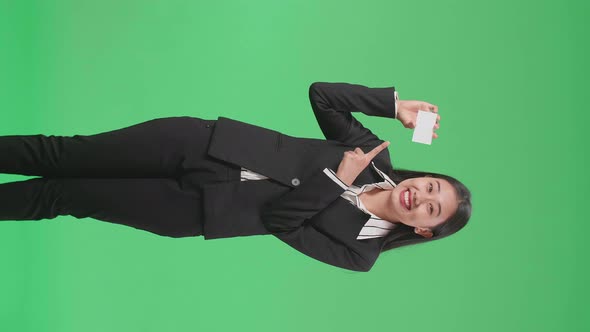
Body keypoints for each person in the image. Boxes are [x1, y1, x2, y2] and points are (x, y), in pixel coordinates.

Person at [0, 82, 471, 272]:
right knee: (62, 152)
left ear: (424, 228)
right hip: (205, 144)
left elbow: (282, 222)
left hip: (198, 209)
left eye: (433, 207)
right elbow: (323, 97)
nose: (422, 196)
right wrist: (390, 107)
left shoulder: (361, 252)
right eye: (432, 186)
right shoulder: (374, 155)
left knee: (61, 197)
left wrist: (333, 179)